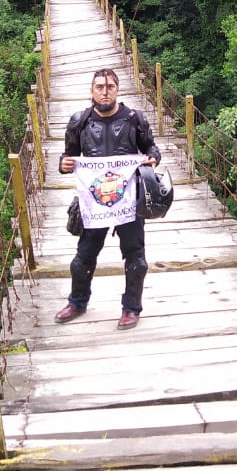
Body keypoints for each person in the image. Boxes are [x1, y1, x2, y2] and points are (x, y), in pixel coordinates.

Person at [55, 68, 160, 330]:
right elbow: (68, 156)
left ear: (117, 89)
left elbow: (151, 148)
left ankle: (131, 309)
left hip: (129, 200)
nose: (105, 91)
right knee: (83, 256)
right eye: (99, 87)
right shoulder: (79, 122)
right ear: (91, 91)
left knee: (135, 257)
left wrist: (153, 159)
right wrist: (63, 164)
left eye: (110, 86)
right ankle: (77, 302)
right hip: (93, 202)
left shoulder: (135, 119)